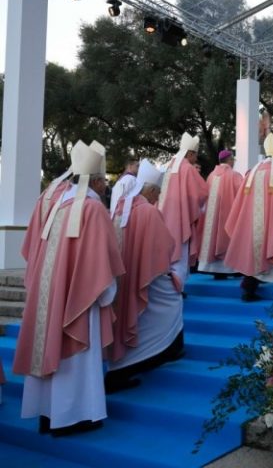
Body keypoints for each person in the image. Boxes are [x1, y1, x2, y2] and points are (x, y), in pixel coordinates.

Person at [13, 141, 124, 436]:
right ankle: (74, 416)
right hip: (79, 298)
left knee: (50, 344)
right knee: (77, 357)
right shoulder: (93, 208)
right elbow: (101, 263)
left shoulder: (56, 205)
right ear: (96, 182)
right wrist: (107, 295)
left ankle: (47, 414)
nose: (105, 186)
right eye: (104, 181)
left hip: (49, 294)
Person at [106, 160, 184, 393]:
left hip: (123, 277)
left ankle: (151, 354)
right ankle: (164, 350)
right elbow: (164, 247)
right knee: (172, 299)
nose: (158, 197)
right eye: (157, 192)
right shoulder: (148, 211)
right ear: (149, 190)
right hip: (143, 276)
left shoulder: (122, 206)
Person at [225, 133, 273, 301]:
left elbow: (240, 201)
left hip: (252, 224)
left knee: (253, 251)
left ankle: (250, 285)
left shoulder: (251, 174)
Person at [158, 132, 208, 289]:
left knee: (168, 252)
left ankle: (169, 287)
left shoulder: (169, 166)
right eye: (195, 155)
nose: (196, 159)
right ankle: (178, 288)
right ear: (190, 154)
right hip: (180, 219)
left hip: (163, 217)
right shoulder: (187, 168)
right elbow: (201, 193)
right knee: (180, 253)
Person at [198, 149, 244, 279]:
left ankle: (216, 270)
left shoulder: (211, 176)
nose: (233, 162)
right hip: (229, 216)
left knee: (213, 236)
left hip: (211, 218)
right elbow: (243, 195)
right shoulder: (234, 175)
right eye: (233, 159)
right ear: (229, 160)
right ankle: (231, 269)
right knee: (228, 236)